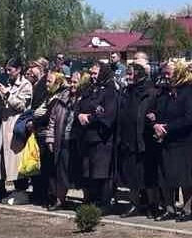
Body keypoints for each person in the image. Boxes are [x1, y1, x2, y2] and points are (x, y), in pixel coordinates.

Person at [152, 60, 192, 219]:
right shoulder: (164, 92)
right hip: (165, 141)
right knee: (165, 176)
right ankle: (169, 209)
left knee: (184, 178)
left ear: (179, 73)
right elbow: (156, 112)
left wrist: (167, 128)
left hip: (182, 142)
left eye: (169, 73)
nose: (166, 76)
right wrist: (155, 124)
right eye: (165, 73)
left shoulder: (188, 92)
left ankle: (187, 210)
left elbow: (189, 118)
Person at [72, 62, 120, 206]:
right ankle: (91, 202)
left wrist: (90, 118)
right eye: (91, 73)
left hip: (102, 139)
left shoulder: (110, 91)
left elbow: (108, 114)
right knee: (88, 172)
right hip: (86, 138)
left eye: (95, 73)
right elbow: (78, 106)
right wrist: (79, 115)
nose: (92, 76)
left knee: (101, 173)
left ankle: (103, 203)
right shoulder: (88, 89)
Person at [113, 62, 154, 215]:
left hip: (143, 139)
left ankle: (152, 205)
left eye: (130, 74)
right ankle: (134, 204)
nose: (127, 77)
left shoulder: (149, 91)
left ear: (138, 75)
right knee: (131, 175)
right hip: (127, 139)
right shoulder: (126, 91)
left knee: (145, 175)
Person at [33, 71, 74, 209]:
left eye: (49, 81)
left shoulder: (59, 98)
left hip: (52, 136)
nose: (46, 84)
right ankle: (47, 196)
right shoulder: (48, 96)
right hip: (43, 134)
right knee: (46, 169)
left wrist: (35, 122)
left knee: (53, 170)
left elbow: (49, 116)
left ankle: (55, 197)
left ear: (58, 83)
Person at [0, 59, 34, 202]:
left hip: (16, 126)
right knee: (5, 160)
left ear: (18, 70)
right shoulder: (7, 83)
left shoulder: (26, 84)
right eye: (6, 70)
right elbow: (2, 105)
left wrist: (8, 95)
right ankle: (10, 190)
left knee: (16, 160)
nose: (8, 73)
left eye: (10, 70)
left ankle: (21, 191)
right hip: (5, 124)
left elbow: (22, 106)